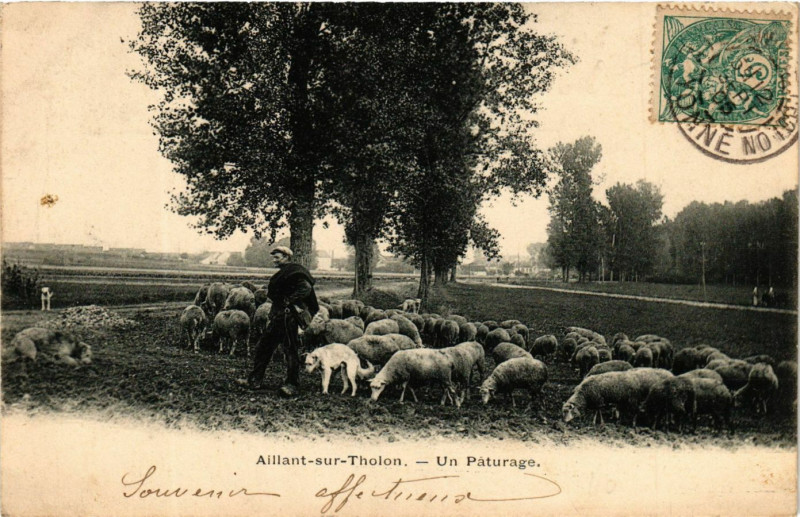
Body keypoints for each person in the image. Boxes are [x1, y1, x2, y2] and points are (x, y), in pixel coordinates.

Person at [236, 246, 319, 397]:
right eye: (274, 257)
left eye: (277, 257)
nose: (274, 260)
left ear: (287, 257)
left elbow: (305, 288)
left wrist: (288, 301)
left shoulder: (295, 271)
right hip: (279, 317)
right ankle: (254, 380)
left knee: (290, 350)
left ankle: (292, 384)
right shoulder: (285, 273)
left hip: (290, 318)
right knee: (264, 347)